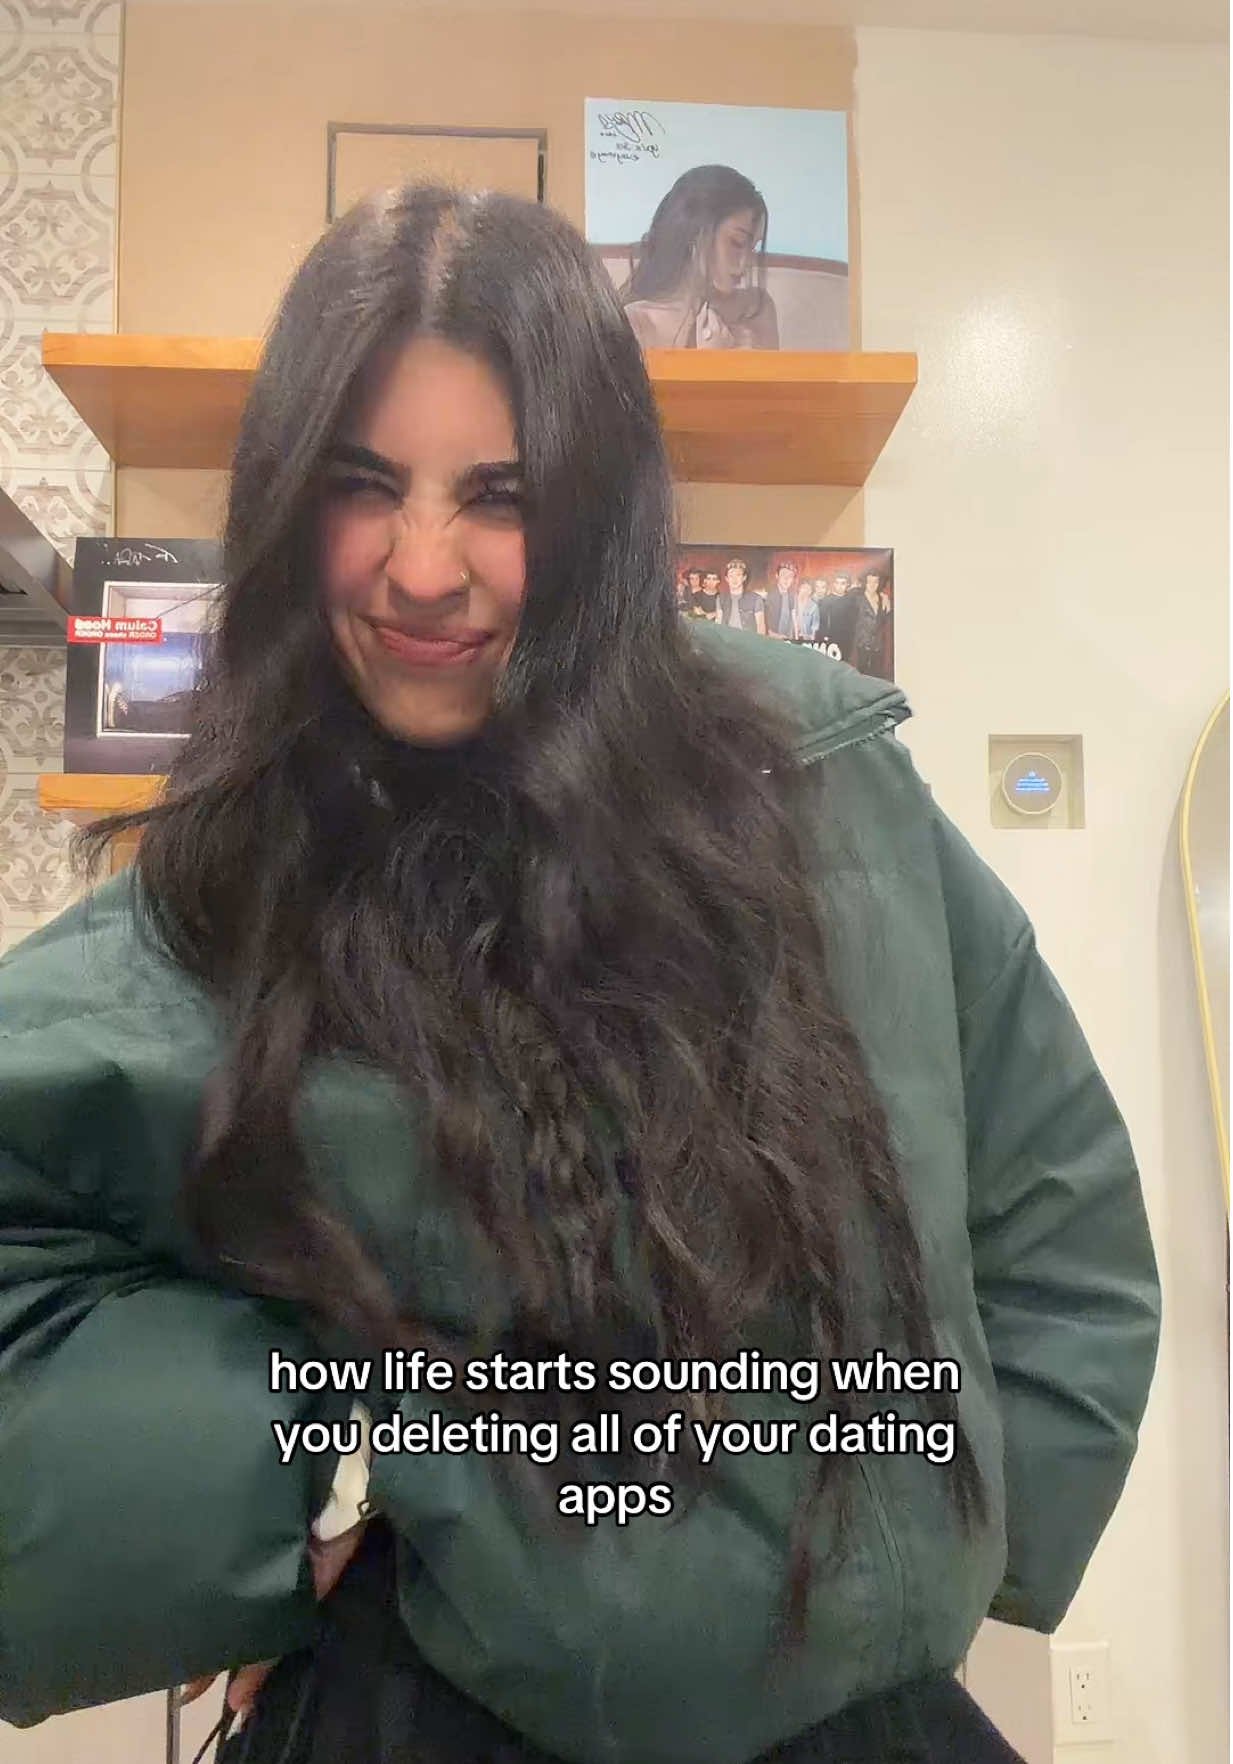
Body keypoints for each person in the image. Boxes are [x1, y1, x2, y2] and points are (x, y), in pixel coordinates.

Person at [0, 183, 1159, 1764]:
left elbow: (1057, 1216)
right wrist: (278, 1492)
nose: (423, 566)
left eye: (500, 493)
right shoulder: (241, 881)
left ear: (599, 505)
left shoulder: (824, 781)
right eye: (362, 486)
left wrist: (936, 1544)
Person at [617, 165, 780, 351]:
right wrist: (713, 362)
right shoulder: (637, 321)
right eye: (737, 242)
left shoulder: (756, 310)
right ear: (695, 234)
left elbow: (775, 371)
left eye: (753, 248)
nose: (747, 263)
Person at [718, 556, 766, 636]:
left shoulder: (756, 599)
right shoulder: (720, 598)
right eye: (731, 575)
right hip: (727, 640)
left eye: (738, 575)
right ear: (726, 578)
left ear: (744, 577)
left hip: (748, 640)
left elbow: (761, 627)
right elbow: (718, 623)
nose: (734, 579)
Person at [763, 560, 798, 641]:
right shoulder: (768, 595)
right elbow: (763, 623)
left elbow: (794, 619)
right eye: (783, 575)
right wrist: (774, 635)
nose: (786, 579)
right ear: (777, 576)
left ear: (793, 579)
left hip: (788, 640)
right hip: (771, 640)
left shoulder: (792, 596)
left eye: (790, 576)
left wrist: (796, 639)